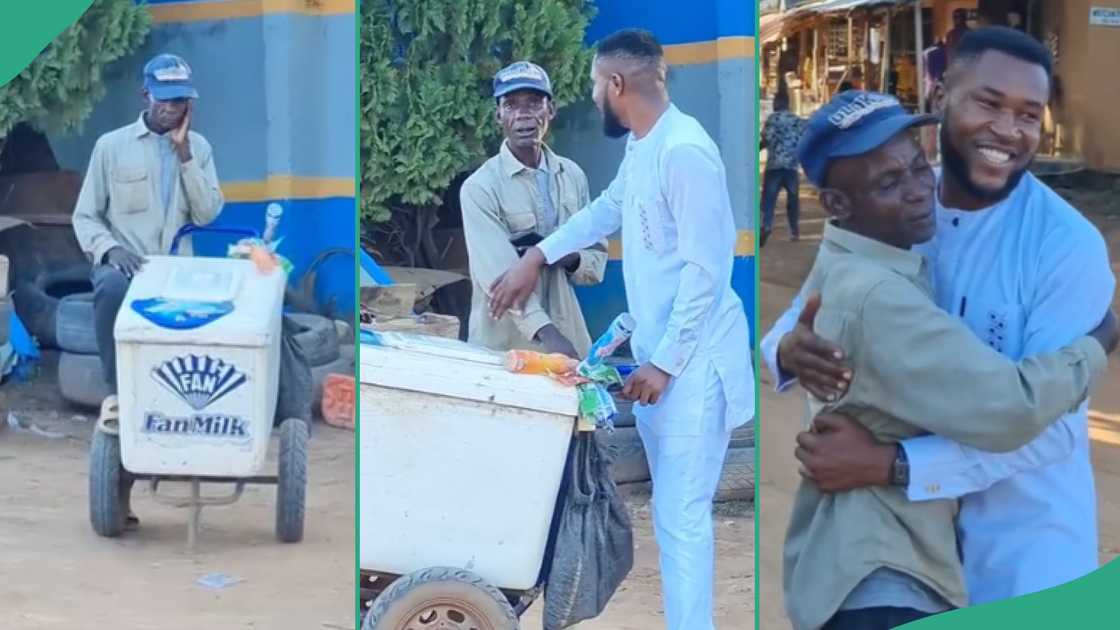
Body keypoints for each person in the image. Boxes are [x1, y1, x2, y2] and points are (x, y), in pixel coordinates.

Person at [762, 27, 1117, 607]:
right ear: (941, 93)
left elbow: (1045, 427)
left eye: (1030, 113)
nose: (1008, 129)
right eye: (988, 102)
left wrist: (894, 465)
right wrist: (785, 350)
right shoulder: (898, 209)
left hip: (1024, 559)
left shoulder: (1065, 246)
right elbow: (816, 301)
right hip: (910, 560)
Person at [488, 29, 753, 630]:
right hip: (661, 362)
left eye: (591, 84)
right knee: (670, 515)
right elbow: (606, 209)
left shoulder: (685, 151)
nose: (591, 95)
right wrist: (538, 256)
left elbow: (707, 271)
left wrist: (665, 363)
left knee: (682, 519)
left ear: (616, 84)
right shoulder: (645, 146)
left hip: (692, 367)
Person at [72, 53, 224, 527]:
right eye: (164, 99)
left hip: (177, 275)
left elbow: (207, 215)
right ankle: (117, 396)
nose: (171, 109)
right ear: (146, 96)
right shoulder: (111, 147)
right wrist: (108, 249)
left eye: (180, 101)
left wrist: (184, 157)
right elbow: (85, 216)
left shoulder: (197, 147)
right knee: (111, 293)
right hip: (126, 267)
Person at [459, 61, 606, 358]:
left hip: (570, 339)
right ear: (498, 115)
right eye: (511, 105)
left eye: (534, 103)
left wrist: (563, 254)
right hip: (504, 348)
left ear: (550, 110)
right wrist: (548, 335)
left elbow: (596, 262)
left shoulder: (572, 175)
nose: (524, 114)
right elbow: (499, 280)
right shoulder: (481, 187)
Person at [759, 91, 805, 247]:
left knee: (769, 200)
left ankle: (766, 225)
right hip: (792, 167)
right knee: (793, 200)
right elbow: (804, 139)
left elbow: (767, 139)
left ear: (777, 103)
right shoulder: (796, 121)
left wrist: (755, 150)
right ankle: (794, 231)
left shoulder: (772, 119)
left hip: (774, 166)